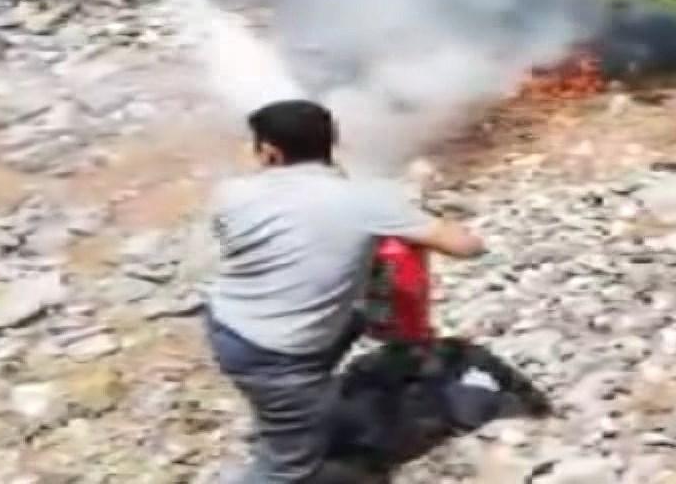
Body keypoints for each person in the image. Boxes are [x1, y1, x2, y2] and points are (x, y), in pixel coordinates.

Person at [203, 99, 485, 483]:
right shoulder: (366, 201)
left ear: (268, 152)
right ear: (333, 142)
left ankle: (290, 412)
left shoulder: (231, 194)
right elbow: (466, 246)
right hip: (280, 354)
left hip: (229, 324)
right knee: (286, 468)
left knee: (354, 318)